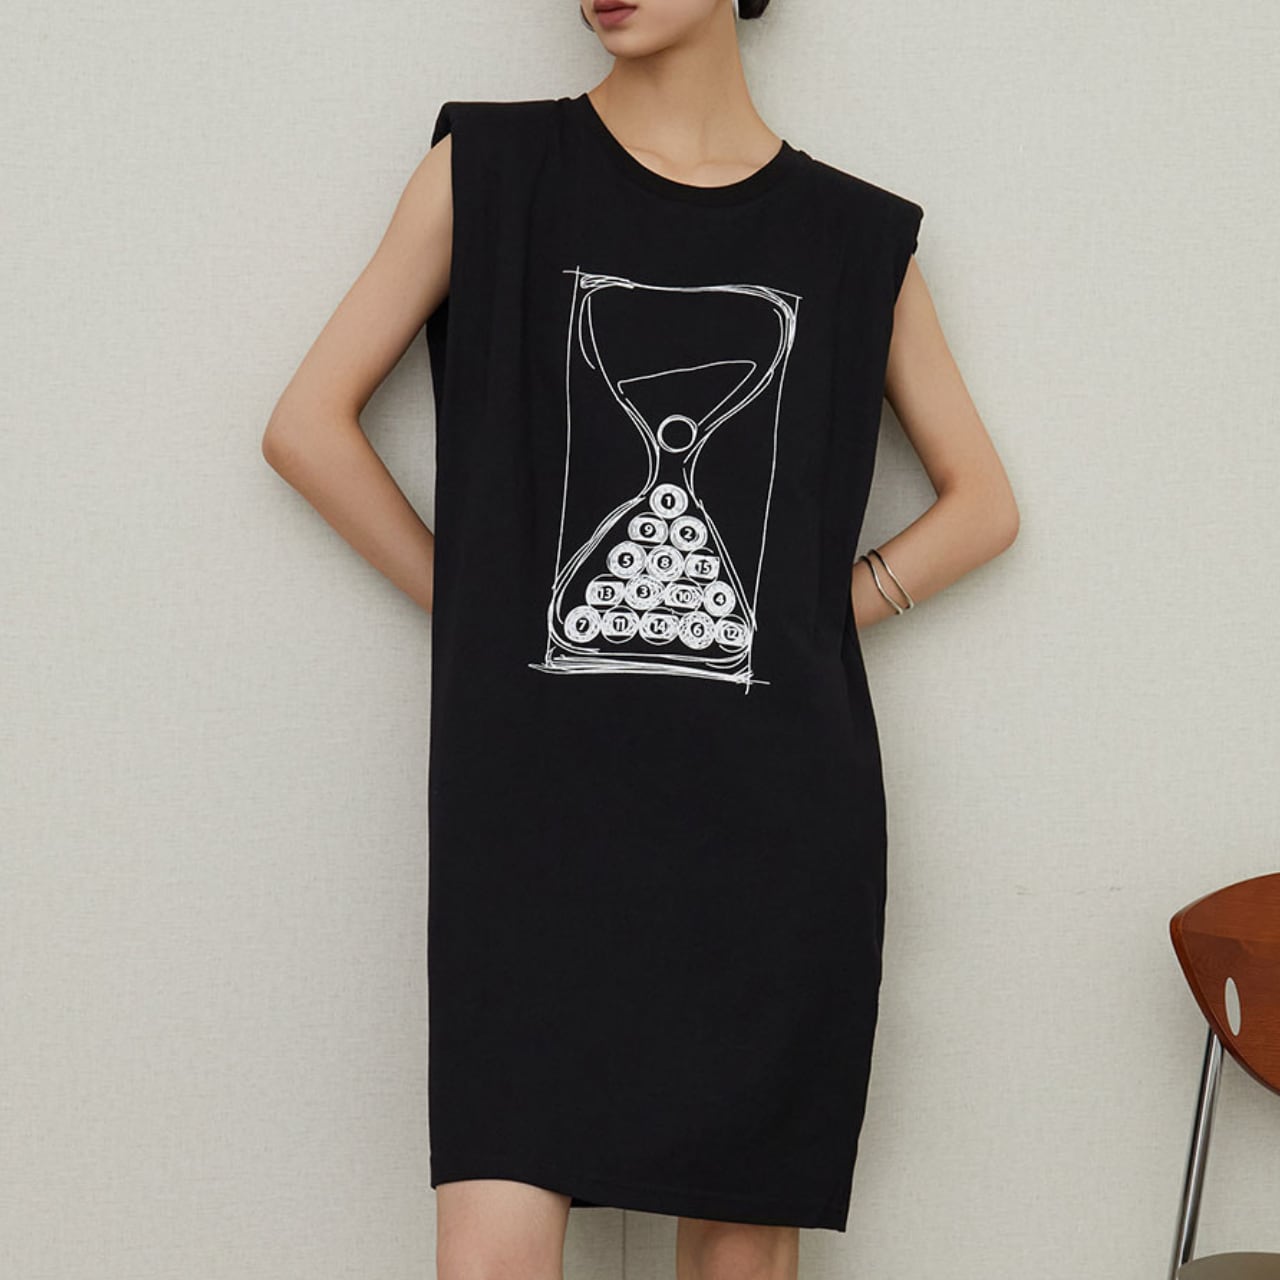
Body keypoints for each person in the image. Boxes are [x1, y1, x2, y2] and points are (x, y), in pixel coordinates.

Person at [262, 1, 1018, 1276]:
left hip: (769, 819)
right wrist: (486, 608)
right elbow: (305, 427)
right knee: (491, 1241)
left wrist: (808, 610)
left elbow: (982, 505)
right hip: (532, 818)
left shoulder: (851, 236)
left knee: (735, 1246)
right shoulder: (489, 173)